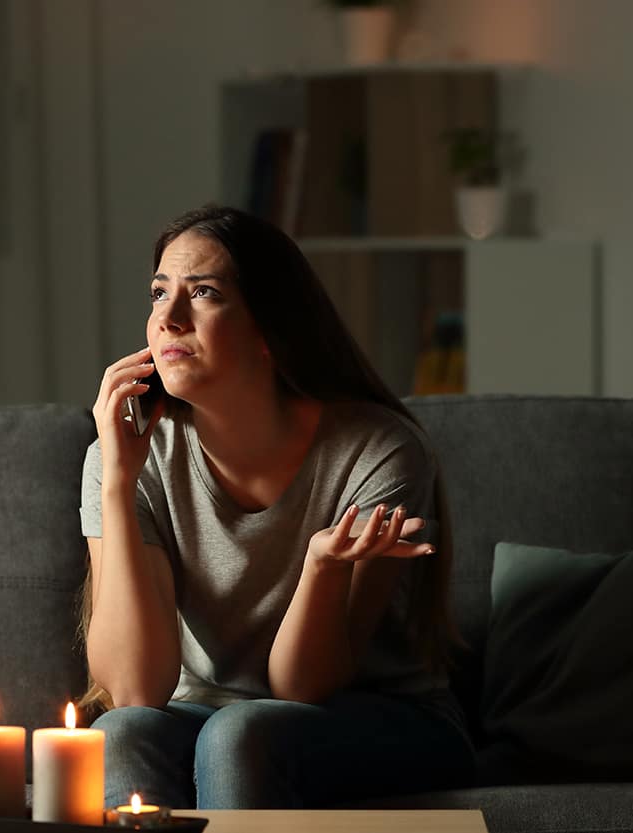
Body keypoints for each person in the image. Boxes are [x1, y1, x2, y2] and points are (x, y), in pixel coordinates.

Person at [78, 204, 475, 810]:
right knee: (120, 734)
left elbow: (305, 686)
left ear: (269, 327)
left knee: (242, 735)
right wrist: (117, 480)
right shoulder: (129, 453)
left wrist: (322, 567)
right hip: (204, 716)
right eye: (159, 294)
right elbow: (134, 688)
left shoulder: (376, 451)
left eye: (203, 292)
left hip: (375, 716)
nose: (169, 319)